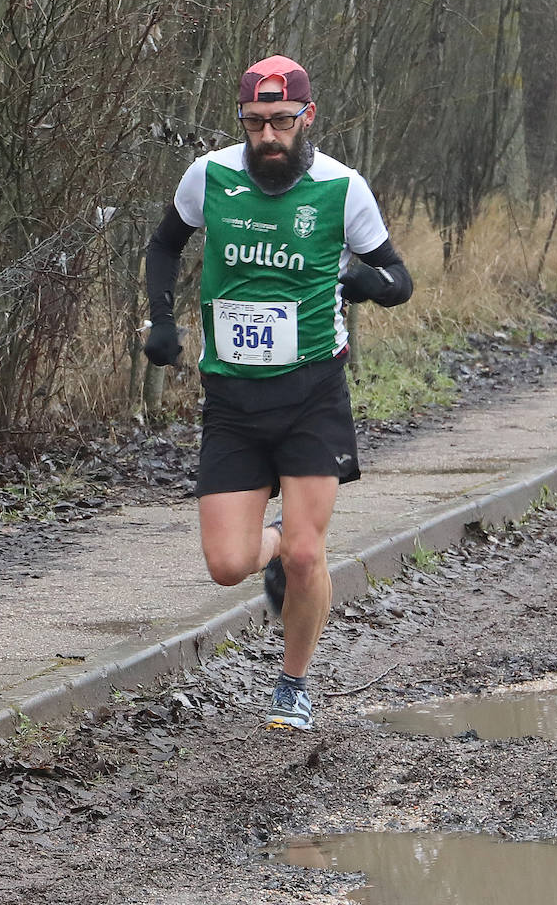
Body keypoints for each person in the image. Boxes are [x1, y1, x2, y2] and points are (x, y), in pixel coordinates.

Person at [143, 56, 413, 730]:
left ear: (307, 117)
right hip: (232, 397)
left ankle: (293, 685)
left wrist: (368, 283)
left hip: (312, 393)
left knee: (306, 552)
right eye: (256, 122)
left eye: (282, 121)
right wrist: (162, 321)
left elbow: (398, 278)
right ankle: (275, 543)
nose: (268, 136)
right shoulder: (210, 176)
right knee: (227, 564)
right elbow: (163, 246)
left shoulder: (341, 188)